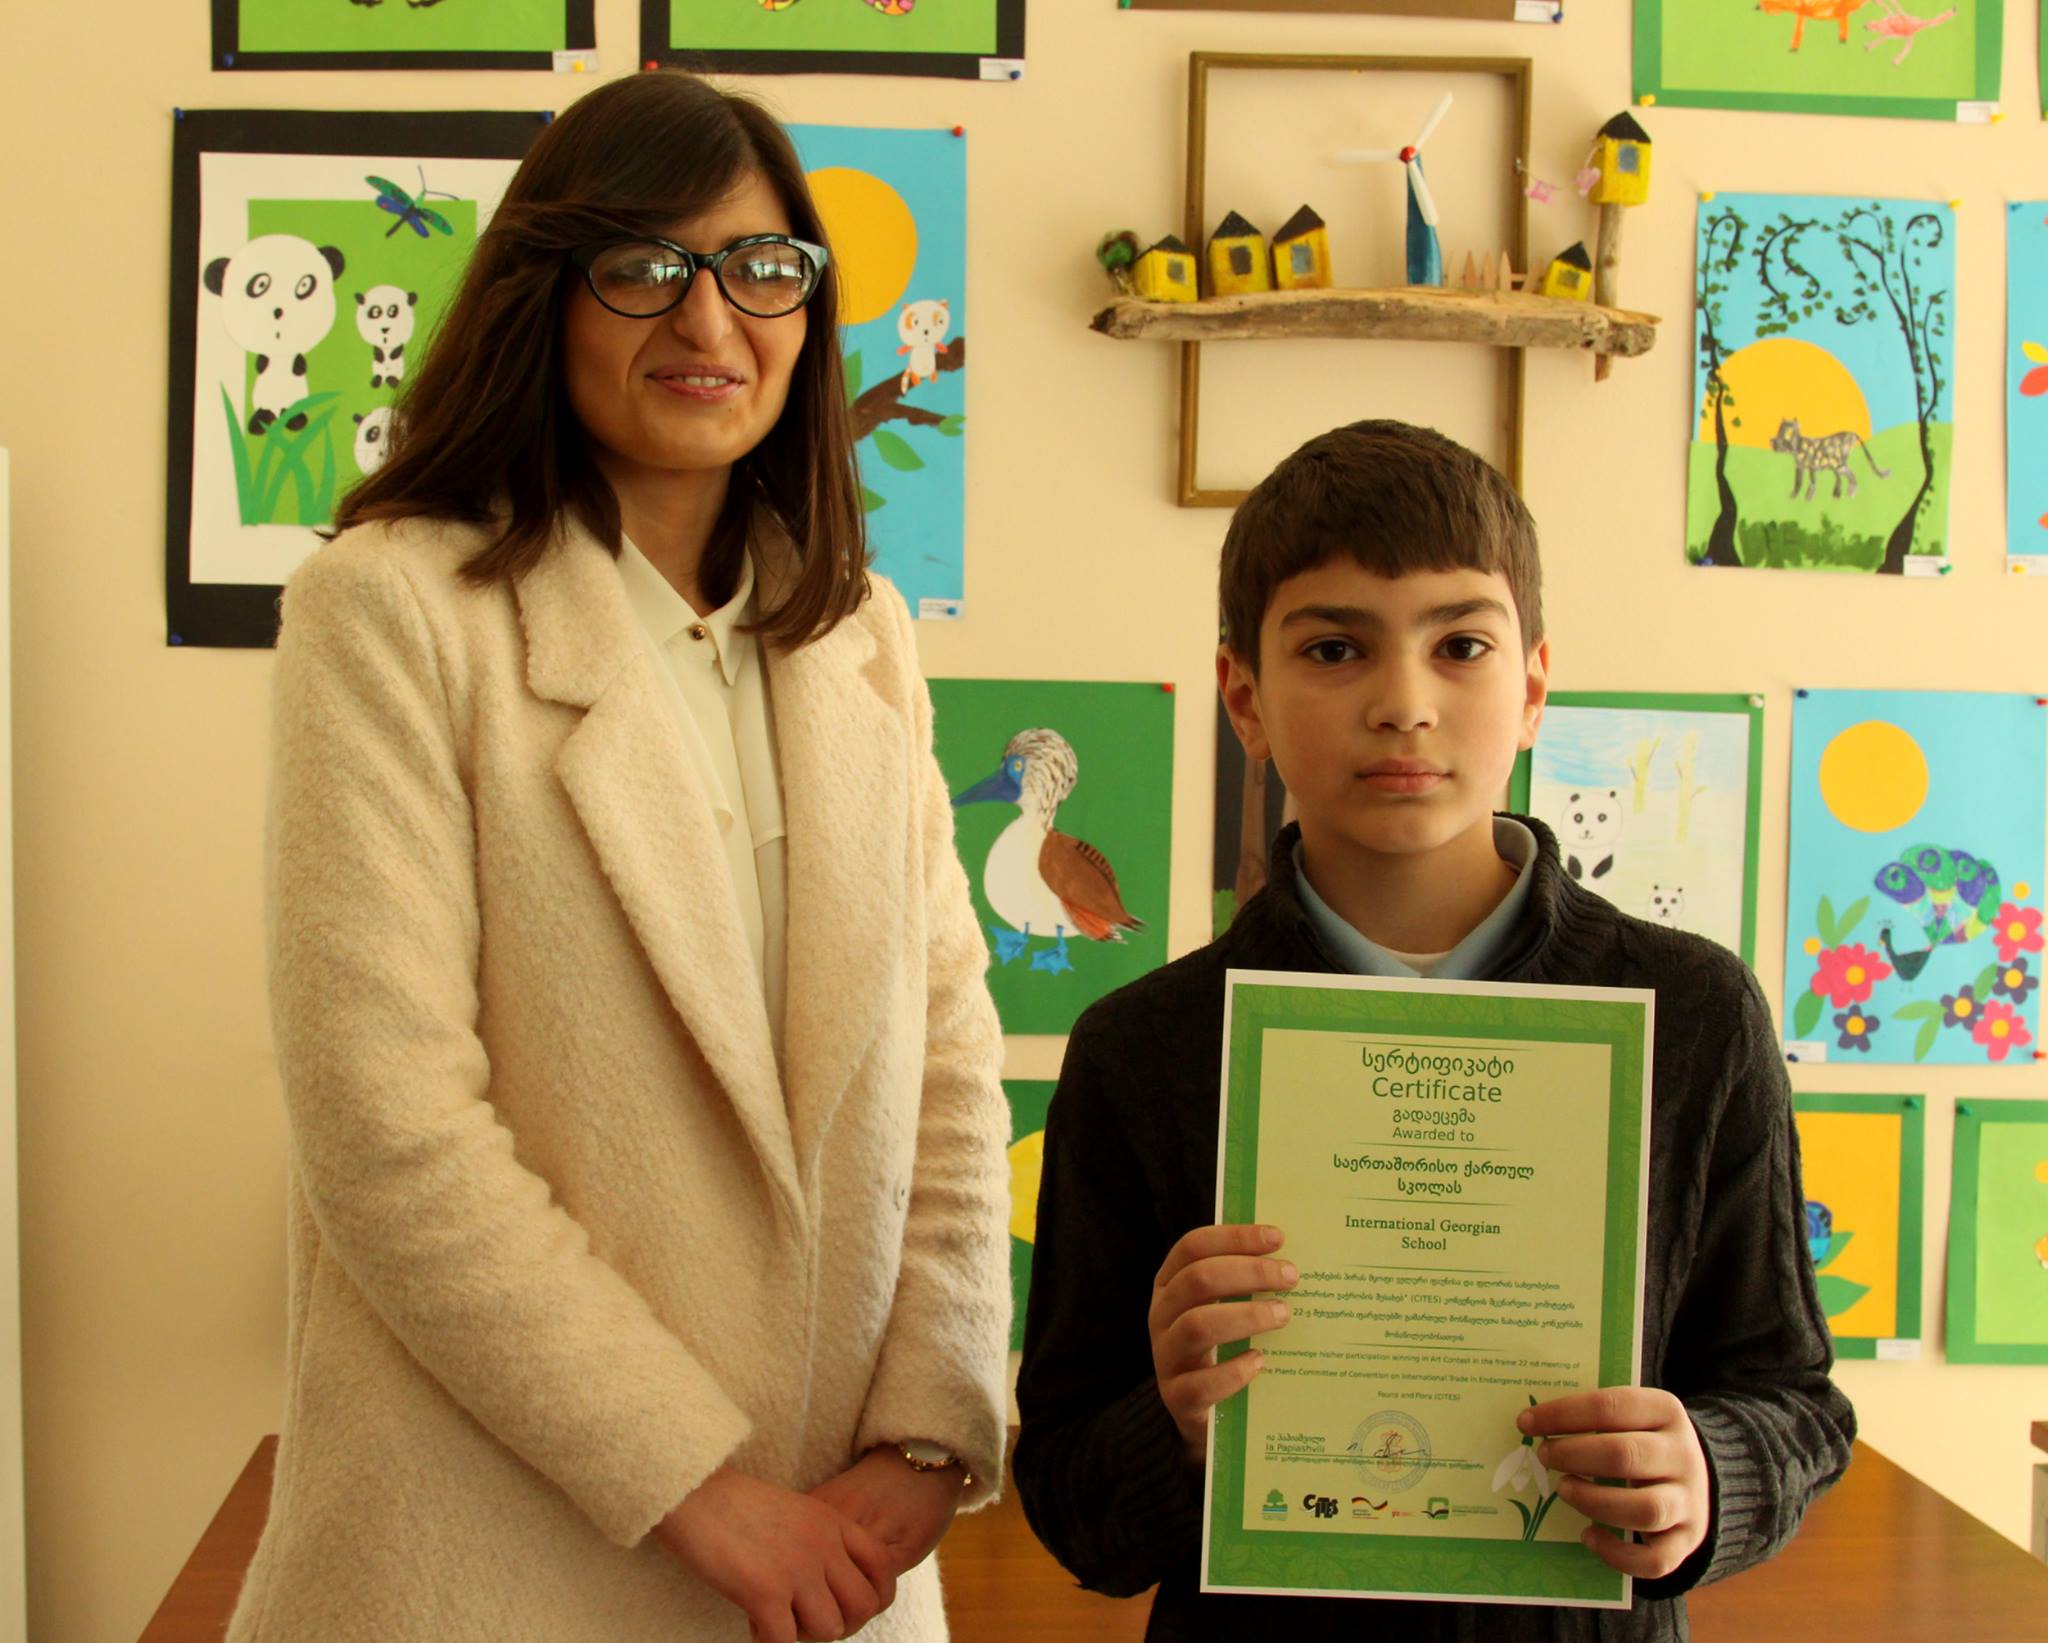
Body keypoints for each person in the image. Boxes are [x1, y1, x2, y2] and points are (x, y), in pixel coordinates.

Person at [228, 71, 1011, 1643]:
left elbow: (948, 1060)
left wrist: (929, 1431)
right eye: (647, 266)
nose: (712, 319)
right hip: (486, 1553)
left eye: (762, 267)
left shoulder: (860, 630)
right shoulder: (390, 608)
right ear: (547, 293)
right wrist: (696, 1488)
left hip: (836, 1559)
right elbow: (389, 1126)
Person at [1013, 421, 1855, 1641]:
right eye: (1334, 647)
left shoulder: (1695, 1015)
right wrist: (1175, 1418)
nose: (1403, 704)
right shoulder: (1141, 1048)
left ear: (1533, 687)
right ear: (1243, 697)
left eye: (1460, 645)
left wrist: (1707, 1471)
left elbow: (1792, 1401)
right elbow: (1070, 1507)